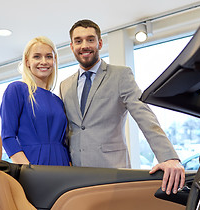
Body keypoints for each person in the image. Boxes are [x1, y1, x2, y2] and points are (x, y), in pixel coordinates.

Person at [59, 19, 185, 195]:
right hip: (77, 178)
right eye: (78, 41)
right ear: (72, 46)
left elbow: (144, 115)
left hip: (113, 172)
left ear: (100, 43)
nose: (84, 45)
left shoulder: (120, 75)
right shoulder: (64, 85)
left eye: (90, 39)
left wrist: (168, 157)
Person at [0, 36, 70, 166]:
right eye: (37, 57)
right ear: (27, 62)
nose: (43, 61)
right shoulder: (16, 90)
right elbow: (8, 137)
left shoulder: (58, 101)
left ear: (54, 61)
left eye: (49, 56)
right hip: (33, 165)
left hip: (62, 165)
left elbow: (65, 142)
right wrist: (28, 170)